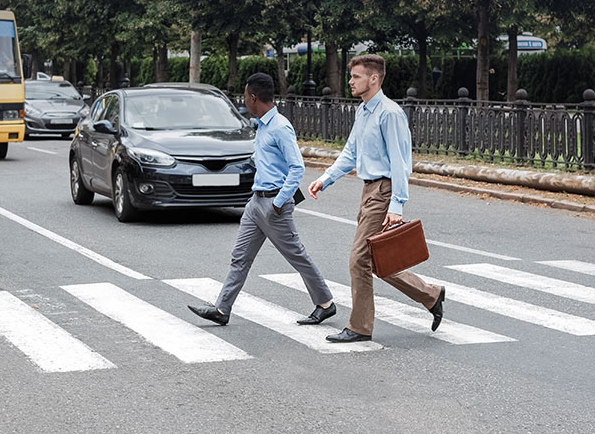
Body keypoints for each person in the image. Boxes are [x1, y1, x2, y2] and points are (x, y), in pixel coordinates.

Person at [308, 54, 444, 342]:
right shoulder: (364, 111)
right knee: (376, 259)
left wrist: (397, 204)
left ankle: (359, 326)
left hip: (384, 190)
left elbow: (400, 162)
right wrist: (325, 179)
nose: (350, 81)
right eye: (351, 76)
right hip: (368, 189)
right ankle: (431, 294)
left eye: (356, 76)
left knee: (359, 259)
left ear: (374, 78)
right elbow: (351, 153)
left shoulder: (390, 113)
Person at [188, 73, 336, 326]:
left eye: (246, 97)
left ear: (254, 97)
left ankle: (326, 303)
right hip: (256, 203)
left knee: (296, 255)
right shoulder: (262, 126)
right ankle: (222, 309)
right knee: (240, 257)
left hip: (274, 204)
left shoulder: (280, 126)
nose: (244, 102)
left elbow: (297, 167)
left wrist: (279, 202)